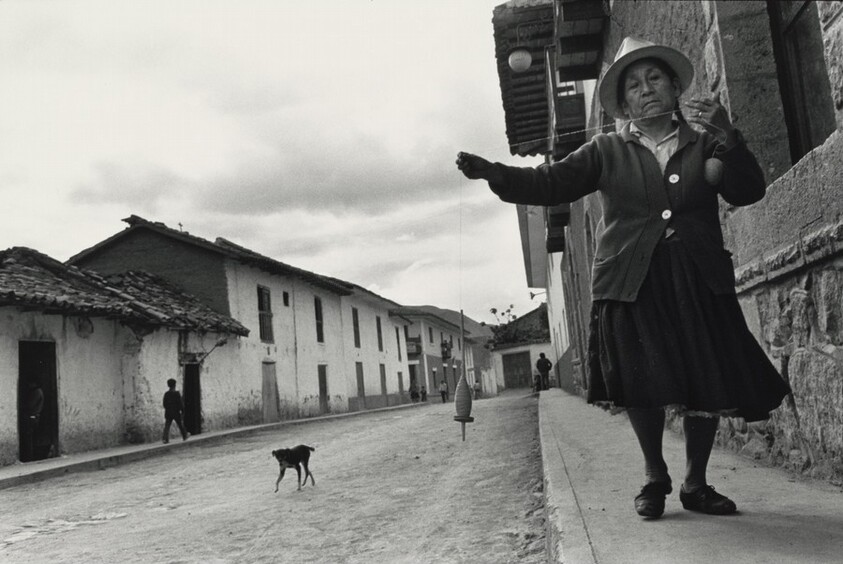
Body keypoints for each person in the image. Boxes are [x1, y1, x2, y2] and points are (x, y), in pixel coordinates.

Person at [457, 37, 790, 519]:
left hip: (697, 279)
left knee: (706, 381)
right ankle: (655, 476)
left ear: (675, 87)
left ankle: (696, 484)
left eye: (655, 79)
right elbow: (551, 182)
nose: (646, 90)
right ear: (624, 101)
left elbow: (748, 191)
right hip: (631, 284)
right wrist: (498, 174)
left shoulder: (707, 142)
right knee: (642, 383)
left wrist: (731, 138)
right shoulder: (606, 150)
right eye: (634, 85)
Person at [162, 378, 189, 443]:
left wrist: (168, 409)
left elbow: (164, 404)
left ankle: (165, 439)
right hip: (176, 412)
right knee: (180, 424)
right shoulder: (177, 394)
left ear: (168, 385)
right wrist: (182, 411)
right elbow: (180, 403)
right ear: (175, 385)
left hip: (168, 412)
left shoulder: (166, 394)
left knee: (167, 426)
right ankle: (185, 435)